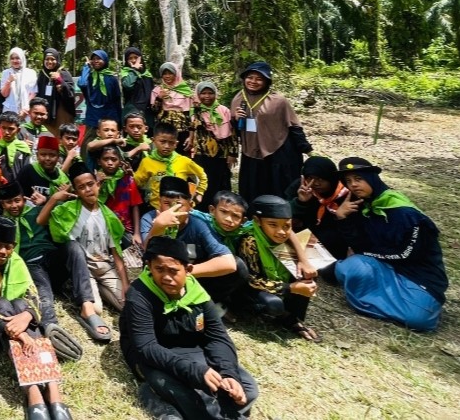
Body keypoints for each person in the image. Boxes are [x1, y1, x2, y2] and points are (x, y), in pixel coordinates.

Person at [120, 236, 258, 420]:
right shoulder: (139, 295)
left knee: (248, 390)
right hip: (154, 355)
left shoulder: (197, 293)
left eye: (173, 271)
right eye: (159, 269)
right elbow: (146, 348)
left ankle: (180, 408)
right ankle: (154, 395)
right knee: (193, 398)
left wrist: (228, 374)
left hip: (192, 350)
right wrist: (195, 372)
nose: (166, 277)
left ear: (188, 270)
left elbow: (217, 337)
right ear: (150, 267)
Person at [0, 215, 73, 420]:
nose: (3, 252)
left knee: (20, 304)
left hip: (20, 320)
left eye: (8, 247)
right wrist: (22, 335)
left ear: (14, 247)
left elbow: (34, 297)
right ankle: (32, 388)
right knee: (1, 303)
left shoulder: (18, 263)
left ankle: (51, 385)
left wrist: (27, 316)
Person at [333, 157, 447, 331]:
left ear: (372, 178)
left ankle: (380, 301)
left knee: (419, 321)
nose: (353, 185)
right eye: (348, 181)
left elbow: (407, 255)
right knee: (348, 268)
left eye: (358, 178)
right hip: (386, 268)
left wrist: (365, 254)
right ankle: (391, 304)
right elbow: (359, 244)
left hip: (418, 276)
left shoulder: (406, 214)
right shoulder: (364, 206)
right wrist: (341, 217)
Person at [0, 182, 84, 361]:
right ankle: (52, 328)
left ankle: (86, 302)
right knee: (43, 294)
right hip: (31, 265)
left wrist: (50, 200)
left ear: (24, 199)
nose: (14, 205)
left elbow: (64, 211)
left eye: (17, 200)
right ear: (2, 204)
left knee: (73, 247)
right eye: (8, 202)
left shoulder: (37, 211)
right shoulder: (2, 225)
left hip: (52, 259)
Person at [140, 176, 242, 307]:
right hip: (162, 278)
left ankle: (209, 303)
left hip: (192, 277)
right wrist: (157, 228)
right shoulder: (149, 219)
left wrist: (183, 273)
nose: (172, 210)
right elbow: (147, 257)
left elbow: (229, 263)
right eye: (167, 203)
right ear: (159, 203)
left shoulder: (198, 224)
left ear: (190, 206)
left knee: (239, 266)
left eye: (179, 205)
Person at [235, 195, 320, 341]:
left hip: (275, 284)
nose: (281, 232)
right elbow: (252, 281)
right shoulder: (250, 241)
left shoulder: (284, 236)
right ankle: (269, 313)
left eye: (286, 226)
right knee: (273, 305)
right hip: (250, 289)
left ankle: (293, 318)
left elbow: (290, 233)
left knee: (308, 273)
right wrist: (290, 288)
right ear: (257, 221)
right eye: (273, 225)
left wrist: (304, 261)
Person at [44, 169, 129, 314]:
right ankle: (94, 289)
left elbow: (116, 253)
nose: (88, 190)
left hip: (104, 267)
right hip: (84, 269)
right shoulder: (68, 211)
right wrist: (54, 199)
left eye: (91, 184)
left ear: (98, 185)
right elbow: (41, 220)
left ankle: (101, 287)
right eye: (81, 187)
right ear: (76, 192)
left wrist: (125, 283)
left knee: (128, 305)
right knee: (96, 309)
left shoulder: (108, 216)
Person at [229, 61, 312, 202]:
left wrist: (307, 149)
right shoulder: (238, 98)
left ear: (267, 81)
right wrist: (236, 119)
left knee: (278, 190)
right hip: (251, 153)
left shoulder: (278, 100)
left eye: (259, 79)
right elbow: (236, 132)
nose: (253, 82)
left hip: (278, 151)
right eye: (250, 77)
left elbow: (293, 126)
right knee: (253, 191)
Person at [284, 156, 350, 259]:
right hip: (303, 236)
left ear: (331, 178)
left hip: (334, 240)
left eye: (321, 179)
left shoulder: (346, 193)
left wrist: (341, 217)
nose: (316, 183)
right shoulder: (301, 187)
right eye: (310, 178)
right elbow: (283, 215)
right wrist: (300, 202)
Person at [134, 121, 209, 209]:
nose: (167, 146)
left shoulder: (184, 161)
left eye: (171, 143)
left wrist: (199, 193)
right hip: (157, 208)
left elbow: (202, 175)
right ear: (153, 141)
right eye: (162, 141)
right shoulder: (147, 162)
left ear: (176, 144)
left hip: (180, 208)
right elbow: (138, 182)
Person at [188, 81, 238, 211]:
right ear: (198, 95)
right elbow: (192, 128)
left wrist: (232, 153)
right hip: (201, 153)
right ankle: (202, 210)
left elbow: (232, 133)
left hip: (221, 153)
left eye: (210, 93)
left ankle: (221, 209)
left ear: (215, 94)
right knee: (203, 180)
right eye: (203, 93)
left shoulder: (223, 110)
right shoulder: (195, 111)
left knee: (220, 181)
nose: (207, 96)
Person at [96, 146, 143, 248]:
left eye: (114, 159)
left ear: (120, 162)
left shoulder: (128, 179)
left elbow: (135, 206)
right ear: (99, 161)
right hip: (102, 227)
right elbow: (90, 203)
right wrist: (97, 184)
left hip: (125, 228)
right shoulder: (94, 181)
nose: (110, 163)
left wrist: (137, 233)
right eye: (106, 159)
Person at [78, 50, 122, 150]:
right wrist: (86, 67)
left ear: (105, 60)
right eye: (93, 59)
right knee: (88, 146)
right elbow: (82, 83)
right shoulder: (89, 77)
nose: (96, 61)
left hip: (109, 117)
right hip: (93, 117)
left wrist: (119, 122)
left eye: (99, 59)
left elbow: (117, 100)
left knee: (109, 147)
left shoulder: (111, 79)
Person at [150, 63, 194, 151]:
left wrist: (191, 136)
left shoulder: (185, 90)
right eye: (164, 74)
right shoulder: (157, 90)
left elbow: (191, 115)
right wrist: (159, 98)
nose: (167, 76)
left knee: (181, 154)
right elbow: (153, 111)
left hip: (182, 129)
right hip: (163, 128)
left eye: (170, 73)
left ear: (176, 74)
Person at [15, 132, 69, 200]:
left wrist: (66, 195)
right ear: (37, 156)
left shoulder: (63, 178)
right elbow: (16, 196)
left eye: (52, 155)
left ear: (58, 157)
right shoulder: (27, 171)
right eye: (43, 155)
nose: (47, 158)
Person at [36, 47, 77, 134]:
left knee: (62, 136)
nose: (50, 62)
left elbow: (71, 94)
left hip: (61, 113)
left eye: (52, 59)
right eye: (47, 59)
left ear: (57, 60)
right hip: (45, 114)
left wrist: (60, 81)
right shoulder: (42, 74)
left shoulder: (63, 73)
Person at [0, 111, 33, 183]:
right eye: (3, 128)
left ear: (18, 130)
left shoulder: (23, 149)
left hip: (18, 187)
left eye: (11, 129)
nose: (6, 132)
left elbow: (27, 172)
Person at [120, 46, 154, 127]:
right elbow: (128, 85)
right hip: (132, 111)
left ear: (140, 58)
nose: (133, 60)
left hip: (147, 112)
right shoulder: (126, 72)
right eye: (130, 58)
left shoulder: (147, 74)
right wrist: (134, 70)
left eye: (136, 57)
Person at [0, 47, 37, 119]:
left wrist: (26, 108)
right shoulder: (6, 73)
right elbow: (4, 94)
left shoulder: (31, 73)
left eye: (17, 58)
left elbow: (33, 93)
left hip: (26, 110)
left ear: (22, 58)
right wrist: (9, 81)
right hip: (10, 109)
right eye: (12, 58)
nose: (15, 61)